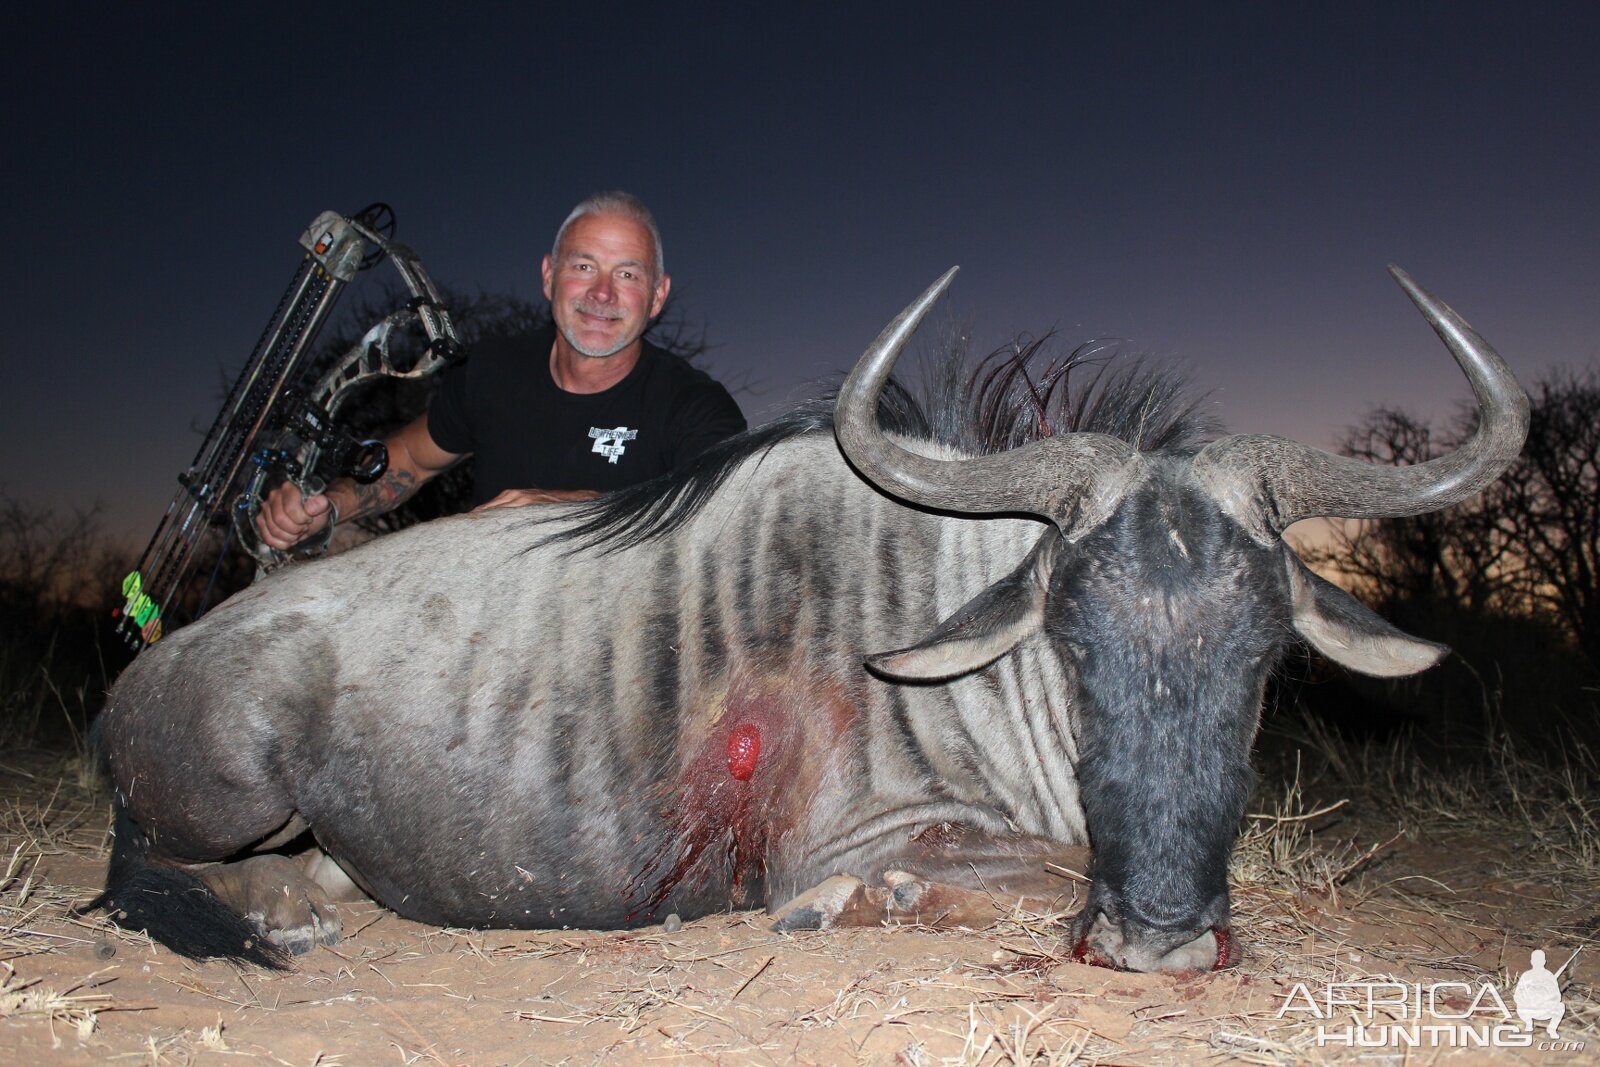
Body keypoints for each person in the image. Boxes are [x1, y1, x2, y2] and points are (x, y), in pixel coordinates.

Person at [256, 191, 747, 550]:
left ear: (658, 295)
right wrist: (328, 507)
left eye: (627, 274)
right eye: (583, 267)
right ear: (548, 277)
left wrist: (566, 509)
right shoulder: (491, 371)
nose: (602, 294)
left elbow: (724, 518)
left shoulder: (696, 405)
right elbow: (410, 457)